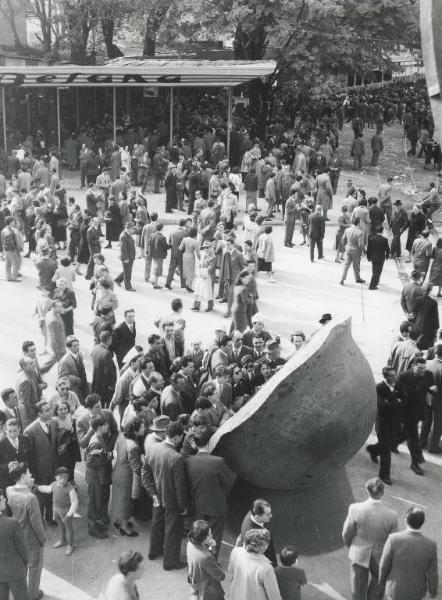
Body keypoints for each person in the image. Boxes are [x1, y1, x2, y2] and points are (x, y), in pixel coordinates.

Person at [342, 477, 398, 600]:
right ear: (382, 492)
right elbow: (393, 542)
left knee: (357, 587)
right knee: (379, 581)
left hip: (358, 551)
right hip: (380, 555)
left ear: (367, 490)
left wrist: (350, 546)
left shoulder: (354, 508)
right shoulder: (392, 515)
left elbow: (346, 533)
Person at [142, 421, 188, 570]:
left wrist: (152, 493)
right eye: (181, 437)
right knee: (172, 531)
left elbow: (145, 473)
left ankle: (153, 551)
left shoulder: (153, 448)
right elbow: (180, 487)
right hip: (171, 501)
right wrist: (183, 506)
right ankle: (170, 562)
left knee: (156, 524)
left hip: (157, 496)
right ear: (177, 437)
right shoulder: (177, 457)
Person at [185, 429, 236, 557]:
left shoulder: (188, 461)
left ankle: (199, 558)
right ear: (209, 443)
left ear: (195, 444)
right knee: (214, 536)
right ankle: (211, 559)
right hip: (216, 505)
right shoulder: (218, 461)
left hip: (198, 505)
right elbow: (229, 481)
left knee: (199, 533)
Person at [7, 462, 47, 600]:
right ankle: (33, 594)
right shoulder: (31, 498)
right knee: (35, 568)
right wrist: (43, 539)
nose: (31, 475)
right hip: (32, 539)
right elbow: (37, 524)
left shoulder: (9, 490)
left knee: (24, 565)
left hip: (17, 536)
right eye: (29, 473)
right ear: (23, 476)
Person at [379, 507, 438, 600]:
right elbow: (432, 573)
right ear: (422, 523)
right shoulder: (431, 545)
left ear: (406, 520)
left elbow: (384, 564)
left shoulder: (393, 539)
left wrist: (382, 582)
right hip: (417, 593)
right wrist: (433, 592)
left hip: (394, 590)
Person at [23, 400, 59, 525]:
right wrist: (34, 474)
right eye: (47, 410)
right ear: (39, 414)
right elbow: (28, 456)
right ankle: (39, 521)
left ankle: (50, 517)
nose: (51, 412)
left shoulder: (54, 422)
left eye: (50, 409)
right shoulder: (30, 431)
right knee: (41, 498)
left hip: (54, 468)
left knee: (52, 494)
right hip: (40, 471)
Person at [366, 367, 401, 484]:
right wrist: (396, 402)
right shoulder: (379, 388)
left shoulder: (397, 386)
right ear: (385, 377)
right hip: (382, 424)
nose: (394, 378)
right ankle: (384, 475)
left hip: (393, 423)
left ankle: (373, 450)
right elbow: (382, 407)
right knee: (386, 450)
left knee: (388, 444)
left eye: (395, 375)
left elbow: (403, 401)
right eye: (391, 376)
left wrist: (390, 403)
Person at [111, 417, 144, 537]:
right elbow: (136, 468)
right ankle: (124, 527)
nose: (144, 428)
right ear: (136, 430)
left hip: (117, 472)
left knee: (117, 499)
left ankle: (118, 521)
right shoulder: (133, 446)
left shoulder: (122, 437)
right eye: (142, 427)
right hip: (126, 476)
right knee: (124, 502)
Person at [36, 466, 78, 557]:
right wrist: (38, 487)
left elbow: (74, 502)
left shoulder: (71, 489)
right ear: (56, 477)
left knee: (69, 528)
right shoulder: (54, 484)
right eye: (61, 478)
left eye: (65, 478)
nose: (63, 480)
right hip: (56, 509)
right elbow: (47, 489)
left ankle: (70, 545)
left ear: (68, 478)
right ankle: (62, 540)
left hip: (66, 511)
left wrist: (69, 514)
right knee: (60, 525)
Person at [228, 528, 282, 600]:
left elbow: (231, 576)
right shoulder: (266, 568)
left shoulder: (235, 552)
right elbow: (274, 596)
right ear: (263, 546)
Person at [0, 487, 29, 600]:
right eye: (2, 499)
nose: (5, 501)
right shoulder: (12, 523)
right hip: (15, 570)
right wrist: (25, 564)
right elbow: (23, 550)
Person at [186, 520, 226, 600]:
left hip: (195, 580)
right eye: (209, 534)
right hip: (208, 588)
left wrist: (210, 545)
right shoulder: (206, 557)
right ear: (202, 538)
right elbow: (220, 576)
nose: (211, 535)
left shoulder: (190, 543)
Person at [238, 498, 278, 567]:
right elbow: (267, 554)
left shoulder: (251, 513)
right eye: (267, 514)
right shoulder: (258, 535)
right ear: (257, 516)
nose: (271, 516)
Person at [0, 418, 30, 491]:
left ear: (19, 429)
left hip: (24, 478)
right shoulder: (1, 444)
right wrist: (8, 465)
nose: (13, 434)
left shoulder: (25, 440)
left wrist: (24, 463)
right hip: (8, 481)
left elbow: (31, 456)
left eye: (15, 431)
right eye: (10, 431)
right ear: (5, 430)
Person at [58, 336, 89, 403]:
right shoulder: (64, 361)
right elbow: (61, 378)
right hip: (74, 389)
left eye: (78, 345)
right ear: (69, 347)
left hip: (83, 386)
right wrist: (74, 379)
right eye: (75, 346)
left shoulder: (80, 354)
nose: (77, 347)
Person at [90, 331, 117, 408]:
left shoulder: (95, 349)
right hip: (104, 386)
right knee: (105, 406)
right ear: (109, 339)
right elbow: (108, 371)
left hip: (96, 382)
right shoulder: (107, 353)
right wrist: (111, 385)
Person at [340, 217, 365, 285]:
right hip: (356, 251)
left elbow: (343, 240)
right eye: (361, 222)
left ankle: (342, 279)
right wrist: (365, 252)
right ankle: (357, 278)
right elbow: (361, 245)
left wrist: (345, 246)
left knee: (346, 265)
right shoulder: (360, 232)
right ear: (358, 223)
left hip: (348, 249)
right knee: (356, 266)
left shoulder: (347, 230)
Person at [414, 284, 439, 350]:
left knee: (417, 346)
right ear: (430, 291)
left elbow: (414, 312)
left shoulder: (417, 299)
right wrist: (436, 331)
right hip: (428, 329)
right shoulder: (433, 302)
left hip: (418, 326)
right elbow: (435, 318)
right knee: (426, 348)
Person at [114, 221, 136, 291]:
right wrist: (126, 258)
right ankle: (128, 287)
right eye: (133, 228)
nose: (133, 230)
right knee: (128, 273)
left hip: (130, 257)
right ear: (129, 228)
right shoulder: (124, 235)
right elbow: (123, 249)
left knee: (127, 270)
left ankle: (117, 279)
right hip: (126, 257)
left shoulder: (127, 234)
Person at [366, 225, 390, 290]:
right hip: (381, 257)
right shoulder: (385, 240)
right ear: (382, 231)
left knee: (374, 270)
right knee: (378, 271)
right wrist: (387, 256)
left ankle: (376, 281)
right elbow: (387, 249)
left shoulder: (371, 238)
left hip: (373, 257)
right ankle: (372, 285)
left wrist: (368, 257)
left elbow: (369, 248)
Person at [180, 226, 200, 292]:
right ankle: (189, 287)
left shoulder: (184, 239)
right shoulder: (195, 242)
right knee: (190, 272)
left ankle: (187, 285)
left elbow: (180, 248)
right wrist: (200, 260)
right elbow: (198, 253)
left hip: (184, 255)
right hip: (191, 256)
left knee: (185, 271)